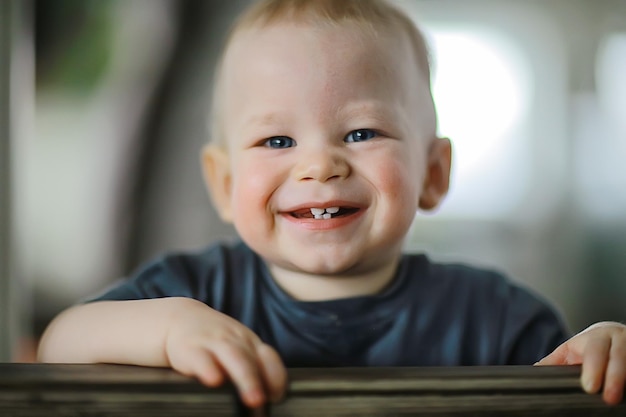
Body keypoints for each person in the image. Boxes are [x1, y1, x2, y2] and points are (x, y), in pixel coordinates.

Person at [37, 0, 626, 410]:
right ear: (222, 183)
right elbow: (58, 343)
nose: (320, 165)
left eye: (362, 133)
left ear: (434, 173)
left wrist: (601, 349)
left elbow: (566, 386)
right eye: (277, 141)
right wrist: (166, 330)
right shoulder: (194, 296)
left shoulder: (494, 317)